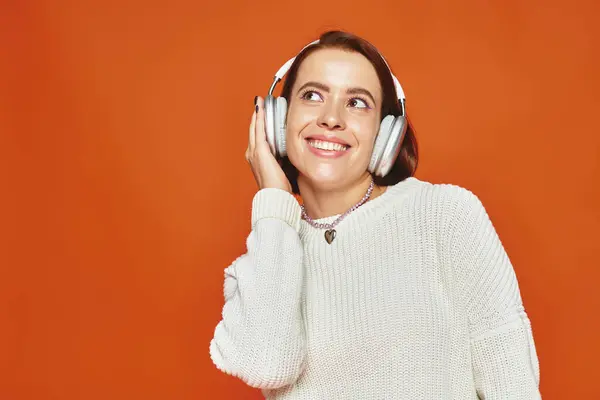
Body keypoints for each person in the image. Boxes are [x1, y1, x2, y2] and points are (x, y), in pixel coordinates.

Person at [209, 30, 541, 399]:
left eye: (357, 103)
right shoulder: (261, 264)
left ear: (386, 133)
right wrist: (272, 199)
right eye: (312, 96)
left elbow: (513, 384)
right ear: (278, 120)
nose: (331, 118)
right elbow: (268, 366)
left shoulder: (443, 217)